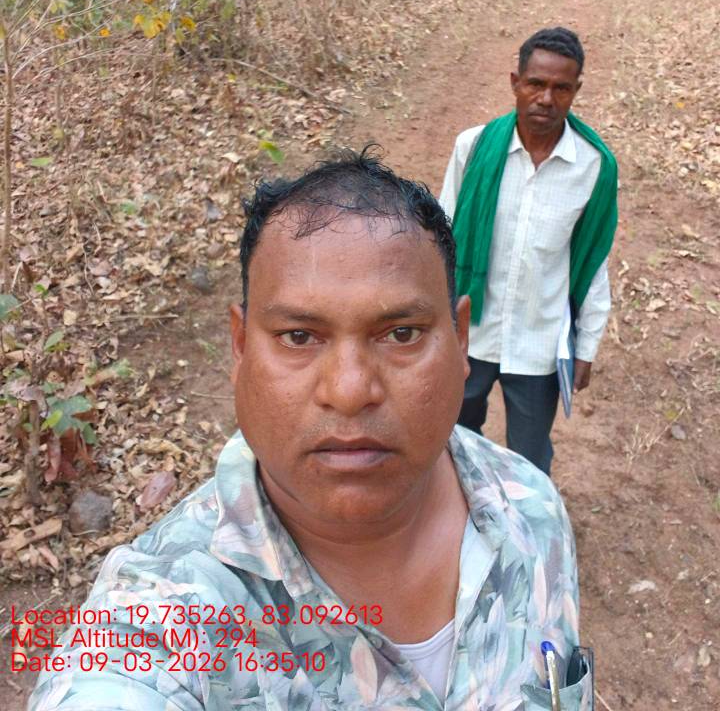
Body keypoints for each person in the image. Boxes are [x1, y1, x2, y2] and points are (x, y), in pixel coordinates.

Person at [29, 150, 591, 711]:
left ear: (461, 340)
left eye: (401, 334)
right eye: (299, 337)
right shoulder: (159, 616)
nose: (349, 390)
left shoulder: (532, 509)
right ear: (240, 347)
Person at [439, 26, 618, 477]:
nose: (546, 99)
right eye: (535, 84)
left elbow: (593, 263)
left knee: (531, 460)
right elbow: (440, 236)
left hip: (539, 342)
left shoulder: (593, 167)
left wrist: (587, 347)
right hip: (470, 332)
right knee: (455, 441)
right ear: (515, 82)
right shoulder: (473, 147)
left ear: (576, 91)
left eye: (561, 88)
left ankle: (526, 518)